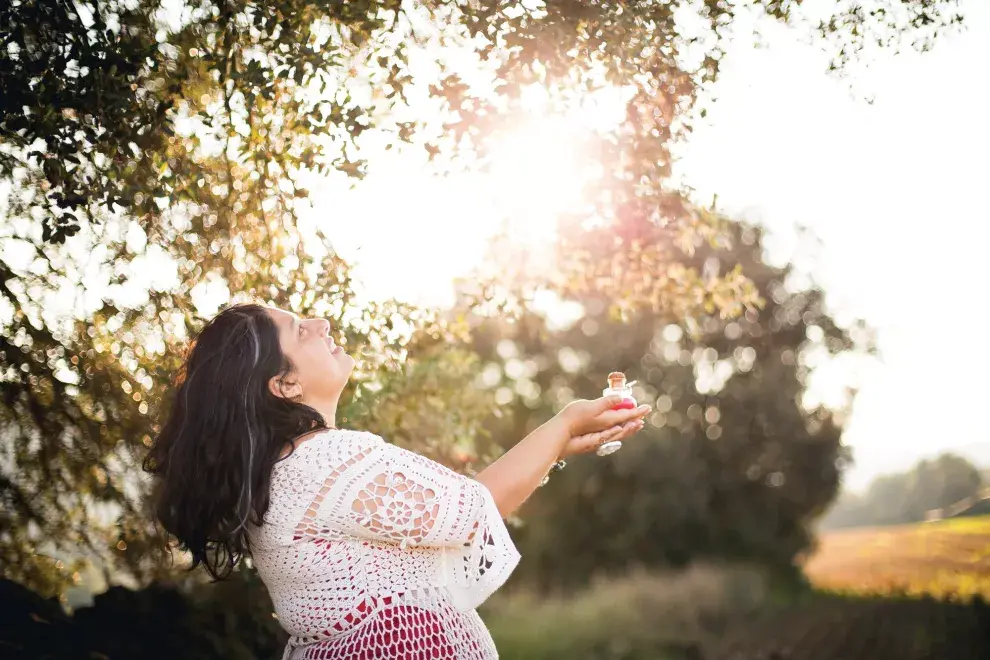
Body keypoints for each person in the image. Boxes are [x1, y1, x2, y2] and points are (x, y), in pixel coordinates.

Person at [144, 302, 651, 659]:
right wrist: (562, 423)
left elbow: (455, 509)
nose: (320, 322)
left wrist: (556, 445)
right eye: (300, 330)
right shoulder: (327, 460)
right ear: (285, 384)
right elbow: (477, 507)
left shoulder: (287, 473)